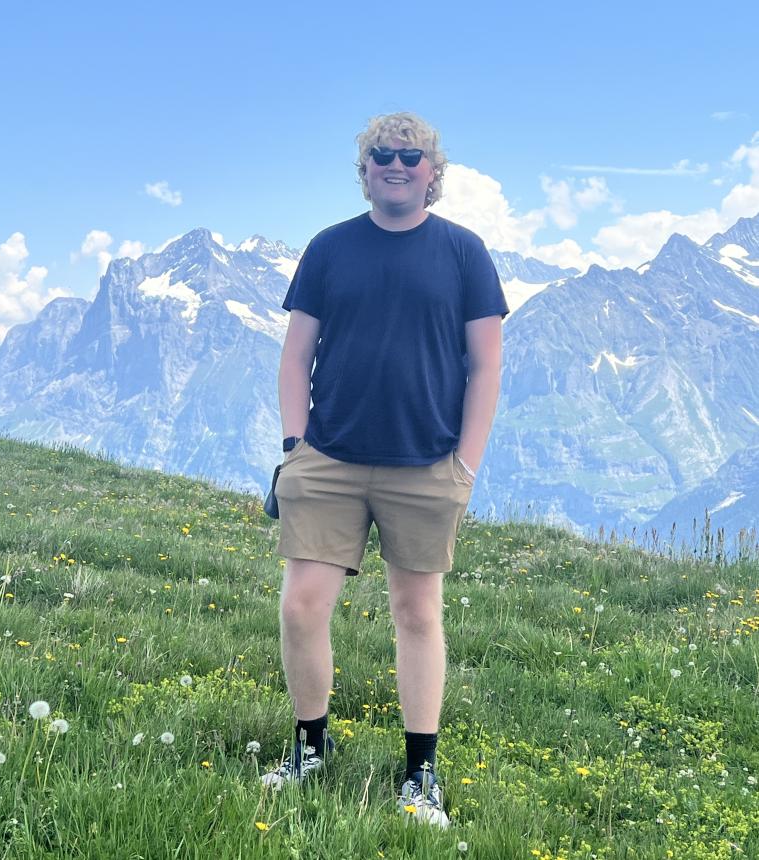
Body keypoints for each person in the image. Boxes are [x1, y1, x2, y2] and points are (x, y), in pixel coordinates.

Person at [262, 111, 509, 828]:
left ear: (432, 173)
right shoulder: (329, 248)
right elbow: (295, 356)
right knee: (301, 605)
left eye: (409, 156)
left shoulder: (463, 252)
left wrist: (465, 464)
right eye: (380, 154)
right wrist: (294, 446)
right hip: (327, 456)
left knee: (417, 612)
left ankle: (420, 774)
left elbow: (486, 366)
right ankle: (310, 749)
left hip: (426, 461)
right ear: (364, 169)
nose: (394, 164)